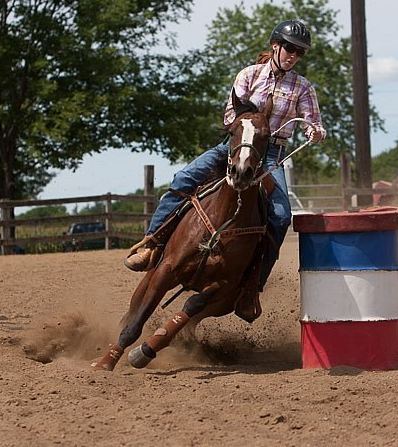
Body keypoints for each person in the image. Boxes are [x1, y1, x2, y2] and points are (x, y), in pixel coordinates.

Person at [124, 19, 326, 296]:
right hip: (233, 145)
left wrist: (315, 131)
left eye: (299, 52)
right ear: (275, 45)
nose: (293, 55)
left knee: (280, 216)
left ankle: (252, 287)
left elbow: (312, 121)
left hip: (270, 154)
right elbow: (230, 117)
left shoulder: (303, 87)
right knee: (183, 178)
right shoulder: (248, 76)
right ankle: (152, 243)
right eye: (289, 48)